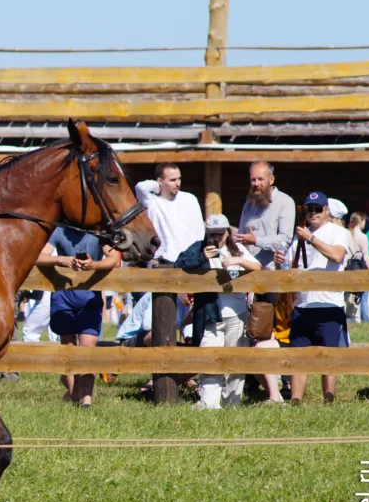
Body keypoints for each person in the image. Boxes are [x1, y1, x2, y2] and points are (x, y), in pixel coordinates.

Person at [175, 214, 262, 409]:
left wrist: (236, 261)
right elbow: (178, 265)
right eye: (212, 233)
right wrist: (201, 257)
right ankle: (209, 403)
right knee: (209, 358)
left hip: (237, 312)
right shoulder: (198, 248)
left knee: (235, 361)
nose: (216, 237)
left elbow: (257, 267)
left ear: (227, 233)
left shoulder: (237, 249)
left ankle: (233, 402)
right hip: (210, 313)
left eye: (220, 233)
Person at [274, 192, 348, 405]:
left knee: (329, 357)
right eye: (309, 209)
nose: (313, 213)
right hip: (303, 304)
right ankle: (296, 402)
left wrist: (312, 239)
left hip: (329, 303)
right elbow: (290, 267)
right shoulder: (299, 237)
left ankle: (328, 400)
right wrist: (280, 261)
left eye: (317, 209)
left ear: (326, 210)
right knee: (299, 357)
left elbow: (337, 255)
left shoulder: (337, 232)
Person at [36, 226, 122, 408]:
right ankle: (75, 394)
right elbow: (39, 256)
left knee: (87, 349)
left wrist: (94, 265)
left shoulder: (99, 232)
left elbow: (114, 259)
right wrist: (61, 259)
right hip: (63, 296)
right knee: (68, 348)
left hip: (90, 298)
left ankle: (87, 399)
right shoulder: (59, 231)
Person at [134, 163, 204, 264]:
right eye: (172, 180)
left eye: (179, 179)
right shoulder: (152, 201)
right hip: (162, 261)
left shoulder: (190, 199)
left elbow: (199, 233)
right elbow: (140, 187)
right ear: (159, 181)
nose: (178, 183)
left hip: (189, 261)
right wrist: (158, 187)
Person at [348, 211, 369, 323]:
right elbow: (366, 255)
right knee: (363, 295)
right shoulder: (362, 237)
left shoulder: (347, 233)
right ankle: (365, 319)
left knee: (348, 295)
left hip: (348, 267)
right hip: (359, 267)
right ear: (361, 221)